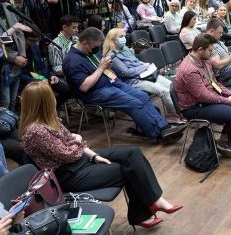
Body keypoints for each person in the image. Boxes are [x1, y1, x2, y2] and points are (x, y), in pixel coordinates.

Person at [20, 81, 182, 229]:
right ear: (44, 102)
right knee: (127, 169)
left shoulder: (49, 119)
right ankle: (144, 212)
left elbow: (71, 143)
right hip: (68, 174)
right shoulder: (36, 131)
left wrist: (93, 155)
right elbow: (68, 154)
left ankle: (154, 202)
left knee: (132, 153)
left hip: (79, 161)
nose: (55, 99)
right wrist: (78, 140)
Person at [62, 27, 186, 141]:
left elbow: (100, 67)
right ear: (84, 43)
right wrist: (101, 68)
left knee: (143, 96)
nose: (96, 50)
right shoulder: (72, 60)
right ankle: (157, 134)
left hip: (113, 82)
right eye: (95, 47)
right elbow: (84, 87)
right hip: (96, 91)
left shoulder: (90, 51)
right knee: (135, 103)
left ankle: (164, 127)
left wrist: (107, 67)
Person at [174, 34, 231, 157]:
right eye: (210, 50)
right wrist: (226, 100)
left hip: (205, 100)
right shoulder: (190, 69)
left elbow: (214, 82)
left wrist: (229, 93)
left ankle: (225, 139)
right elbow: (203, 95)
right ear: (200, 49)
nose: (212, 53)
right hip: (194, 107)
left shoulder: (204, 61)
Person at [103, 28, 182, 123]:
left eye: (124, 36)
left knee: (171, 86)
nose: (124, 38)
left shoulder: (125, 49)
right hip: (133, 81)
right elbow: (126, 72)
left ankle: (177, 112)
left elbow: (136, 61)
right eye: (121, 36)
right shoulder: (111, 56)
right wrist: (144, 67)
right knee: (164, 91)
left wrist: (143, 64)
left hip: (145, 75)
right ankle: (177, 115)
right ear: (112, 39)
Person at [0, 0, 30, 110]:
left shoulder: (8, 6)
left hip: (16, 59)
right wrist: (13, 58)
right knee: (4, 103)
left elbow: (19, 33)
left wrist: (22, 54)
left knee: (13, 100)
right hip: (1, 62)